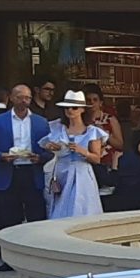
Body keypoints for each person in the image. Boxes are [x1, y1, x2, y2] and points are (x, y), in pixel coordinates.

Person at [0, 85, 52, 268]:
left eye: (27, 98)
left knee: (36, 217)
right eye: (20, 97)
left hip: (32, 172)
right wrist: (0, 156)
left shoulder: (41, 122)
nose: (24, 101)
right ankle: (9, 259)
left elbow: (50, 150)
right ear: (11, 98)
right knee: (8, 218)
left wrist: (40, 158)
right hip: (8, 172)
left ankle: (38, 257)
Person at [45, 91, 108, 220]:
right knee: (60, 208)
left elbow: (97, 159)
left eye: (74, 107)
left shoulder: (92, 131)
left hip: (82, 173)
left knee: (82, 208)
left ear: (82, 109)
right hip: (62, 172)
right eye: (67, 107)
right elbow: (49, 149)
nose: (70, 110)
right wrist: (53, 148)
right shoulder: (57, 128)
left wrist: (82, 151)